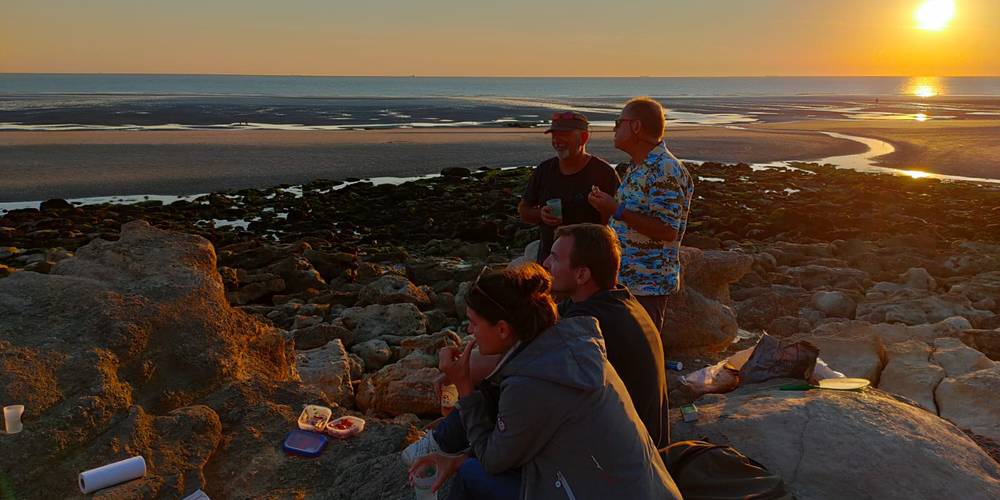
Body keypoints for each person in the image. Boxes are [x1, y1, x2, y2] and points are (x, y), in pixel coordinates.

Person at [408, 264, 681, 500]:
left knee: (471, 475)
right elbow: (520, 440)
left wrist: (465, 387)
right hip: (646, 489)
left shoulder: (531, 385)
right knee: (468, 464)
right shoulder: (568, 348)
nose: (469, 332)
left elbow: (493, 461)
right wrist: (457, 458)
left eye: (474, 323)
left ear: (503, 329)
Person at [542, 223, 669, 447]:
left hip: (627, 459)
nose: (545, 264)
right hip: (640, 444)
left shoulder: (591, 323)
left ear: (581, 274)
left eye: (554, 258)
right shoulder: (618, 298)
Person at [588, 97, 694, 333]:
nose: (614, 129)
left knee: (641, 356)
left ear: (636, 127)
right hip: (626, 279)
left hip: (648, 284)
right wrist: (609, 209)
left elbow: (667, 230)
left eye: (619, 122)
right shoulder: (638, 166)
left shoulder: (664, 168)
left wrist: (615, 209)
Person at [518, 111, 620, 263]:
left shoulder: (604, 173)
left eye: (564, 135)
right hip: (549, 261)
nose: (557, 141)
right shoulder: (544, 170)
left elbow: (620, 221)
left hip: (589, 263)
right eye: (554, 136)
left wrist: (604, 210)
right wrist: (541, 214)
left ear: (584, 138)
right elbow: (524, 211)